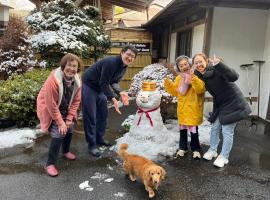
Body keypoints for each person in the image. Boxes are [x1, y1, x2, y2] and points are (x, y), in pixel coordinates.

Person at [193, 53, 251, 167]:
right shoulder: (199, 75)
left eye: (201, 61)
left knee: (227, 131)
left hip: (234, 102)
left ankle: (224, 156)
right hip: (221, 104)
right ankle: (213, 150)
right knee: (214, 128)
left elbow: (234, 77)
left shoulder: (216, 69)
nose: (199, 64)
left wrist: (220, 65)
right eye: (196, 63)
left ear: (206, 61)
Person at [81, 45, 138, 157]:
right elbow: (104, 82)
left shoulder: (124, 67)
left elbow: (114, 82)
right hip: (89, 85)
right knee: (90, 116)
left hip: (100, 88)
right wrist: (113, 98)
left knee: (103, 114)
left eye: (133, 56)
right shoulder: (111, 63)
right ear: (122, 53)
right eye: (128, 54)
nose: (130, 58)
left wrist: (120, 92)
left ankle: (100, 139)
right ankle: (92, 145)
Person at [37, 53, 82, 177]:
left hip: (65, 107)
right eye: (69, 65)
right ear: (63, 66)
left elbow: (76, 101)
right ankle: (50, 164)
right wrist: (61, 122)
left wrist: (68, 118)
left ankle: (66, 151)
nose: (72, 68)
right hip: (50, 107)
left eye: (75, 66)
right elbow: (51, 104)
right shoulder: (53, 80)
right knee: (59, 132)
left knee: (70, 127)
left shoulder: (77, 80)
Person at [164, 55, 205, 159]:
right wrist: (168, 84)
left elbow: (201, 89)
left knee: (193, 130)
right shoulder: (179, 78)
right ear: (178, 68)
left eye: (185, 64)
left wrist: (193, 78)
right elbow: (176, 92)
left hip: (193, 109)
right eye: (181, 66)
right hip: (182, 109)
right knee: (182, 131)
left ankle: (195, 149)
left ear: (189, 64)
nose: (184, 67)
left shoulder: (196, 75)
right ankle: (183, 148)